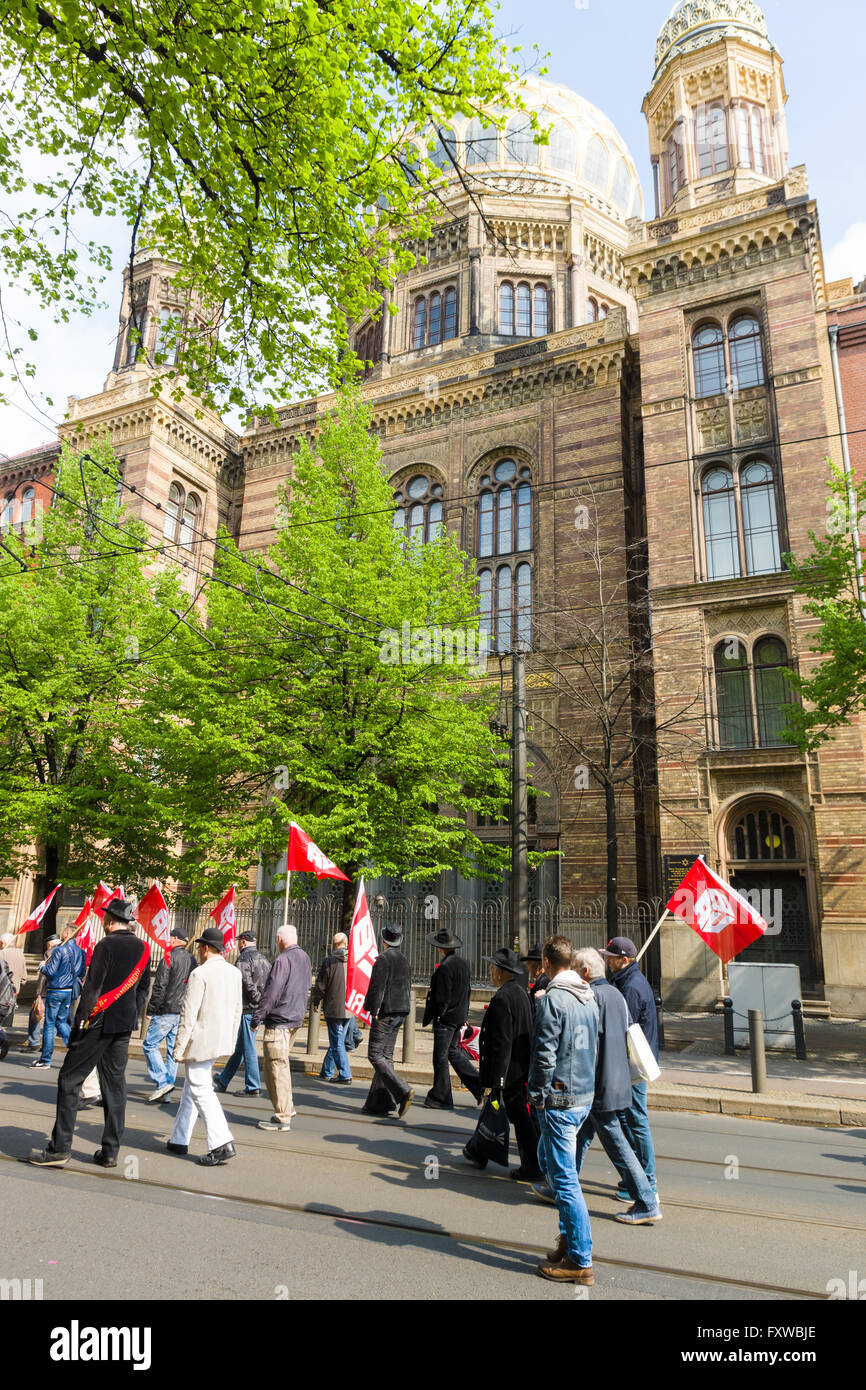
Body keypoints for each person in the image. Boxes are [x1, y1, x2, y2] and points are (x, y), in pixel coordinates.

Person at [28, 898, 151, 1169]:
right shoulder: (143, 947)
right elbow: (142, 989)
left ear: (109, 921)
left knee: (70, 1080)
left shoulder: (105, 945)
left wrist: (79, 1023)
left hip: (96, 1023)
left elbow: (92, 988)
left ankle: (59, 1148)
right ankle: (110, 1151)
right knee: (115, 1086)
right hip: (122, 1025)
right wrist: (130, 1012)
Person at [572, 948, 662, 1224]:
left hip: (599, 1085)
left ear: (585, 972)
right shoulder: (615, 993)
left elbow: (587, 1044)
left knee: (618, 1144)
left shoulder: (594, 997)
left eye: (575, 968)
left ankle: (646, 1199)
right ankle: (560, 1185)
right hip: (614, 1080)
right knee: (580, 1136)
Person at [529, 935, 599, 1285]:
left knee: (564, 1178)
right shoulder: (589, 996)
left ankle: (580, 1258)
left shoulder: (553, 1000)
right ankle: (569, 1240)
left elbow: (544, 1055)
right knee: (552, 1165)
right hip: (583, 1094)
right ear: (571, 962)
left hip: (559, 1098)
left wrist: (537, 1093)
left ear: (545, 962)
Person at [166, 927, 243, 1166]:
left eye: (200, 947)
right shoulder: (234, 972)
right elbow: (237, 1010)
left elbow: (189, 1015)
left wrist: (178, 1049)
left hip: (200, 1040)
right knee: (193, 1087)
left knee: (200, 1089)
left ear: (207, 949)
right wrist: (230, 1042)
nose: (199, 951)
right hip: (220, 1039)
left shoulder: (201, 974)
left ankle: (221, 1143)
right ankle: (179, 1138)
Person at [465, 947, 541, 1181]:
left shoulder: (502, 998)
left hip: (509, 1073)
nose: (489, 971)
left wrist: (496, 1080)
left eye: (492, 967)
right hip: (520, 1069)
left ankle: (532, 1166)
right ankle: (477, 1150)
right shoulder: (519, 993)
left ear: (500, 971)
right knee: (504, 1114)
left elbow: (501, 1043)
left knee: (519, 1119)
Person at [601, 936, 659, 1204]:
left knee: (636, 1123)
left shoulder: (631, 988)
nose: (607, 961)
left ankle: (648, 1182)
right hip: (628, 1066)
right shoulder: (626, 981)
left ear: (623, 960)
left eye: (610, 957)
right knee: (628, 1121)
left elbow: (623, 1028)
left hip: (633, 1068)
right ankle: (635, 1178)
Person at [251, 923, 311, 1133]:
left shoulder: (282, 959)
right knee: (278, 1066)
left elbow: (272, 991)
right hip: (294, 1018)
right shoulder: (304, 957)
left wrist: (258, 1016)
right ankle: (287, 1107)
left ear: (279, 939)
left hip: (280, 1020)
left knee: (276, 1068)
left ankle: (282, 1116)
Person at [422, 926, 482, 1110]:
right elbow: (466, 991)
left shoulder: (445, 968)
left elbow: (442, 998)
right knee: (453, 1052)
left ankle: (441, 1096)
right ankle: (479, 1086)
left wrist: (439, 1016)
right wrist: (463, 1014)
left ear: (440, 948)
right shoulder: (463, 964)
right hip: (458, 1016)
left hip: (446, 1019)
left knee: (440, 1056)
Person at [362, 923, 413, 1118]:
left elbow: (378, 987)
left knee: (375, 1055)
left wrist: (374, 1009)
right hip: (401, 1011)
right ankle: (379, 1102)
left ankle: (402, 1090)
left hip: (386, 1012)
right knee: (386, 1056)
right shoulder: (403, 959)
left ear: (384, 940)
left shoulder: (383, 959)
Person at [143, 925, 195, 1103]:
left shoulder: (168, 957)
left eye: (170, 937)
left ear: (174, 939)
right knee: (173, 1051)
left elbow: (160, 986)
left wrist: (151, 1009)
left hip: (165, 1009)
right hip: (181, 1010)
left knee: (150, 1045)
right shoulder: (192, 959)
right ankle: (166, 1090)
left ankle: (163, 1081)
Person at [215, 929, 269, 1097]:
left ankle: (253, 1086)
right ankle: (224, 1079)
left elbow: (245, 982)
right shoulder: (265, 959)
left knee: (248, 1047)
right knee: (241, 1046)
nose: (238, 944)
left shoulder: (244, 958)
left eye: (239, 941)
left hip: (248, 1008)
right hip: (258, 1008)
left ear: (243, 942)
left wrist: (255, 1000)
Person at [30, 922, 86, 1069]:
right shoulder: (81, 952)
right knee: (61, 1021)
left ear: (67, 934)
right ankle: (76, 1050)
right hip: (68, 991)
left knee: (49, 1023)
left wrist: (43, 966)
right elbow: (82, 974)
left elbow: (51, 971)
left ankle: (45, 1059)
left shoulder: (59, 950)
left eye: (63, 932)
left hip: (55, 990)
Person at [311, 932, 352, 1085]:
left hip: (334, 1007)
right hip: (350, 1006)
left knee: (337, 1041)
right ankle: (327, 1071)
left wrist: (316, 1002)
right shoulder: (354, 960)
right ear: (346, 942)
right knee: (338, 1040)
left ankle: (345, 1074)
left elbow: (321, 985)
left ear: (334, 945)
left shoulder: (329, 961)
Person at [20, 937, 58, 1052]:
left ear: (50, 944)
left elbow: (43, 975)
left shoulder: (50, 952)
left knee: (35, 1015)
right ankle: (47, 1045)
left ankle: (34, 1042)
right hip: (58, 990)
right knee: (52, 1019)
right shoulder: (65, 951)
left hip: (46, 990)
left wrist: (38, 992)